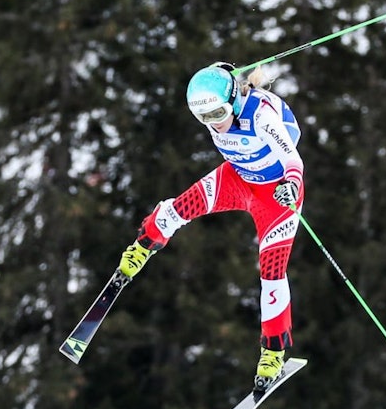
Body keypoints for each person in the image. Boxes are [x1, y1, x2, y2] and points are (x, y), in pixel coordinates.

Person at [117, 62, 305, 391]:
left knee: (271, 271)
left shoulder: (260, 116)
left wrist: (291, 183)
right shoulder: (216, 103)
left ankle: (273, 352)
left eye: (217, 114)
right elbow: (217, 85)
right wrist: (220, 72)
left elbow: (292, 159)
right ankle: (141, 248)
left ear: (231, 102)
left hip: (276, 195)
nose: (213, 124)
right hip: (237, 179)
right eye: (203, 118)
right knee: (179, 208)